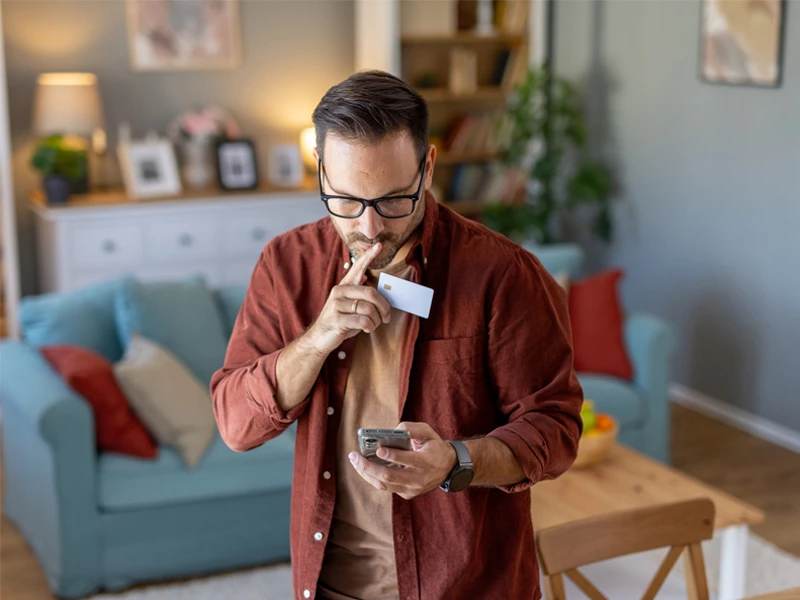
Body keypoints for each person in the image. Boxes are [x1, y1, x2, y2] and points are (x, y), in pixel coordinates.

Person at [210, 70, 583, 600]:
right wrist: (318, 338)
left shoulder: (503, 275)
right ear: (321, 169)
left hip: (466, 587)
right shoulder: (286, 265)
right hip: (328, 583)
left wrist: (457, 461)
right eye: (344, 200)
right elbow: (234, 423)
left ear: (427, 168)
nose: (367, 227)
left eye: (391, 201)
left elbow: (556, 427)